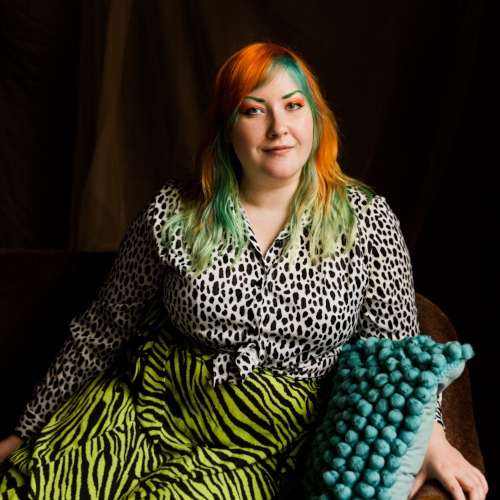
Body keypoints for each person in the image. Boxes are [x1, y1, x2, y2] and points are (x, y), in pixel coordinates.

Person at [0, 42, 487, 499]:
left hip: (259, 445)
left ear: (315, 118)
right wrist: (24, 433)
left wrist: (434, 439)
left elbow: (397, 351)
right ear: (226, 127)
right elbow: (103, 329)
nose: (279, 128)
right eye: (254, 110)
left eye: (293, 106)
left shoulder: (367, 221)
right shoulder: (173, 211)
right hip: (140, 408)